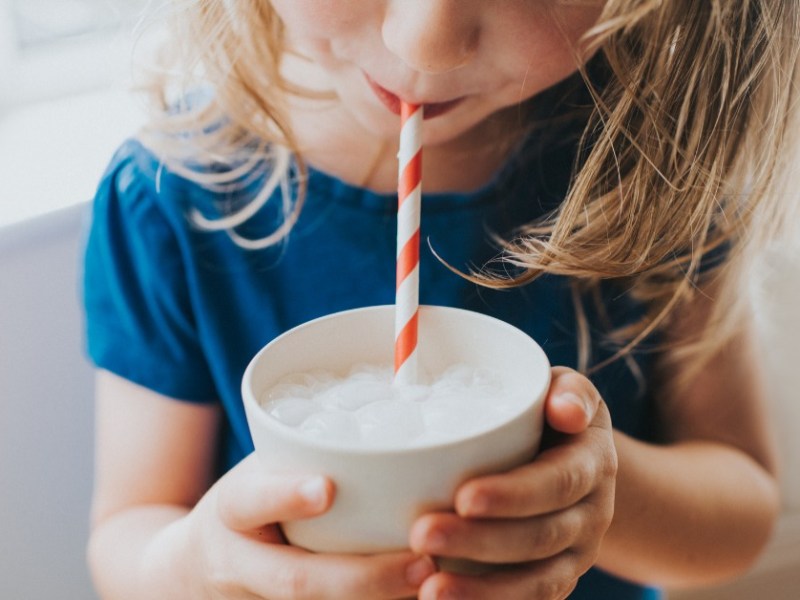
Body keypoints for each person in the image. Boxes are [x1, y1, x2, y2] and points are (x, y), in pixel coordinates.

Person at [82, 1, 799, 599]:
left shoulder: (651, 173)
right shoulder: (168, 199)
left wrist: (593, 490)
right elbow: (129, 530)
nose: (425, 39)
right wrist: (199, 566)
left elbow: (740, 516)